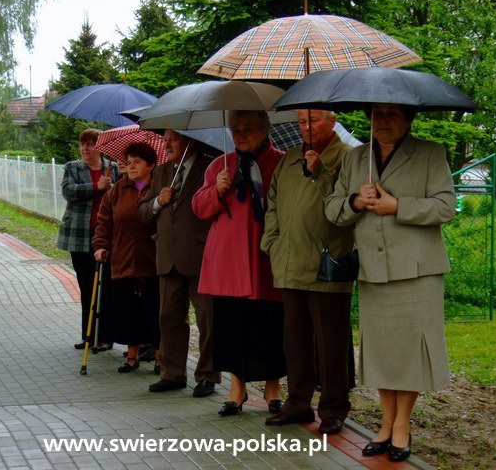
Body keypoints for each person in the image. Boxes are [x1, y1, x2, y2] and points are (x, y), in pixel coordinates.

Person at [325, 103, 456, 461]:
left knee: (410, 352)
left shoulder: (430, 153)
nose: (382, 122)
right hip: (373, 270)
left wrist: (398, 206)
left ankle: (402, 426)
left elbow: (446, 206)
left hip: (417, 271)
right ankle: (385, 424)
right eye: (377, 115)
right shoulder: (355, 159)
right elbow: (333, 209)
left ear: (408, 119)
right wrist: (355, 200)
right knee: (383, 351)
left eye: (392, 115)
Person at [261, 110, 354, 434]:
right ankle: (298, 403)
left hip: (327, 263)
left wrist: (320, 172)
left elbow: (344, 207)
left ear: (332, 120)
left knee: (330, 343)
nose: (306, 127)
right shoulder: (288, 158)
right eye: (301, 121)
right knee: (295, 340)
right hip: (288, 260)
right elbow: (272, 202)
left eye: (313, 120)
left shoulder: (347, 157)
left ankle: (333, 408)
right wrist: (271, 241)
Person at [192, 110, 286, 416]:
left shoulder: (281, 162)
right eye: (236, 129)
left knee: (270, 325)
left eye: (248, 128)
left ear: (264, 130)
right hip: (228, 263)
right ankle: (237, 389)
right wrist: (217, 190)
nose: (240, 134)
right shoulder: (220, 165)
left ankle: (273, 389)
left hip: (266, 260)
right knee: (232, 327)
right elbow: (199, 208)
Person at [139, 129, 220, 397]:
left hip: (201, 256)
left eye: (174, 138)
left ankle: (208, 375)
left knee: (207, 319)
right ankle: (172, 373)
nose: (167, 143)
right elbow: (142, 212)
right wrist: (157, 202)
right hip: (168, 257)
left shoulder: (210, 166)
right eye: (166, 139)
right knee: (169, 317)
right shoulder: (162, 172)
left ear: (190, 140)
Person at [93, 142, 161, 373]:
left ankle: (161, 357)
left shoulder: (159, 189)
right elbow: (104, 221)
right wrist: (100, 246)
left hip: (152, 262)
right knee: (128, 311)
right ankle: (132, 356)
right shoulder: (118, 190)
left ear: (151, 165)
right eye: (129, 162)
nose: (131, 167)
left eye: (137, 162)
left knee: (153, 311)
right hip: (122, 261)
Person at [57, 128, 119, 351]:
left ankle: (105, 337)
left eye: (90, 144)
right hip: (80, 236)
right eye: (82, 144)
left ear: (99, 147)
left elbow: (120, 197)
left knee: (106, 287)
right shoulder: (72, 167)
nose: (85, 148)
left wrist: (110, 188)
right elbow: (68, 191)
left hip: (104, 237)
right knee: (86, 286)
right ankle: (88, 334)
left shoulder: (113, 169)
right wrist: (95, 186)